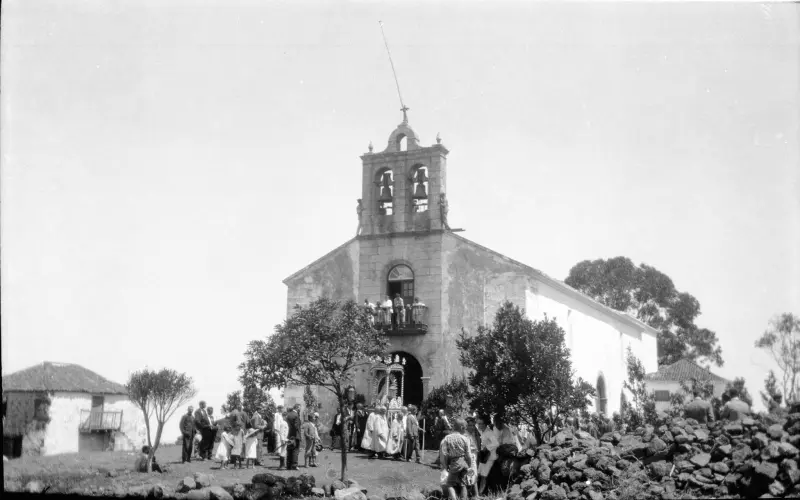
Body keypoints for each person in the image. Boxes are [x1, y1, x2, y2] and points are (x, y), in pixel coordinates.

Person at [439, 418, 474, 500]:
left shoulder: (447, 438)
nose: (465, 430)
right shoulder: (465, 439)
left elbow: (444, 453)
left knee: (449, 484)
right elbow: (468, 454)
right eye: (465, 428)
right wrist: (470, 466)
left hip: (454, 462)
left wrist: (445, 465)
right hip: (464, 462)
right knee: (463, 484)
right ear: (462, 427)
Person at [476, 415, 498, 495]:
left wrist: (487, 448)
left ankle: (480, 493)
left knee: (483, 475)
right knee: (479, 474)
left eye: (481, 424)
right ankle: (477, 492)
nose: (479, 425)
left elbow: (496, 443)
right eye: (478, 424)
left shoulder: (489, 432)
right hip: (484, 457)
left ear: (485, 424)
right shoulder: (483, 431)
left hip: (489, 457)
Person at [463, 417, 480, 498]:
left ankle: (475, 495)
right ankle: (475, 495)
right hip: (470, 457)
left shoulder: (472, 434)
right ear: (466, 426)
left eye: (473, 425)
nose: (472, 427)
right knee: (471, 475)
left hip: (473, 456)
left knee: (473, 475)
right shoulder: (465, 435)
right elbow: (467, 448)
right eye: (470, 425)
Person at [285, 404, 301, 470]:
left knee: (289, 450)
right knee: (295, 450)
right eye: (299, 408)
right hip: (295, 435)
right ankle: (294, 465)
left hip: (289, 435)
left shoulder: (288, 415)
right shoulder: (296, 415)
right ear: (297, 408)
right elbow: (296, 426)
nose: (300, 409)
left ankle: (288, 465)